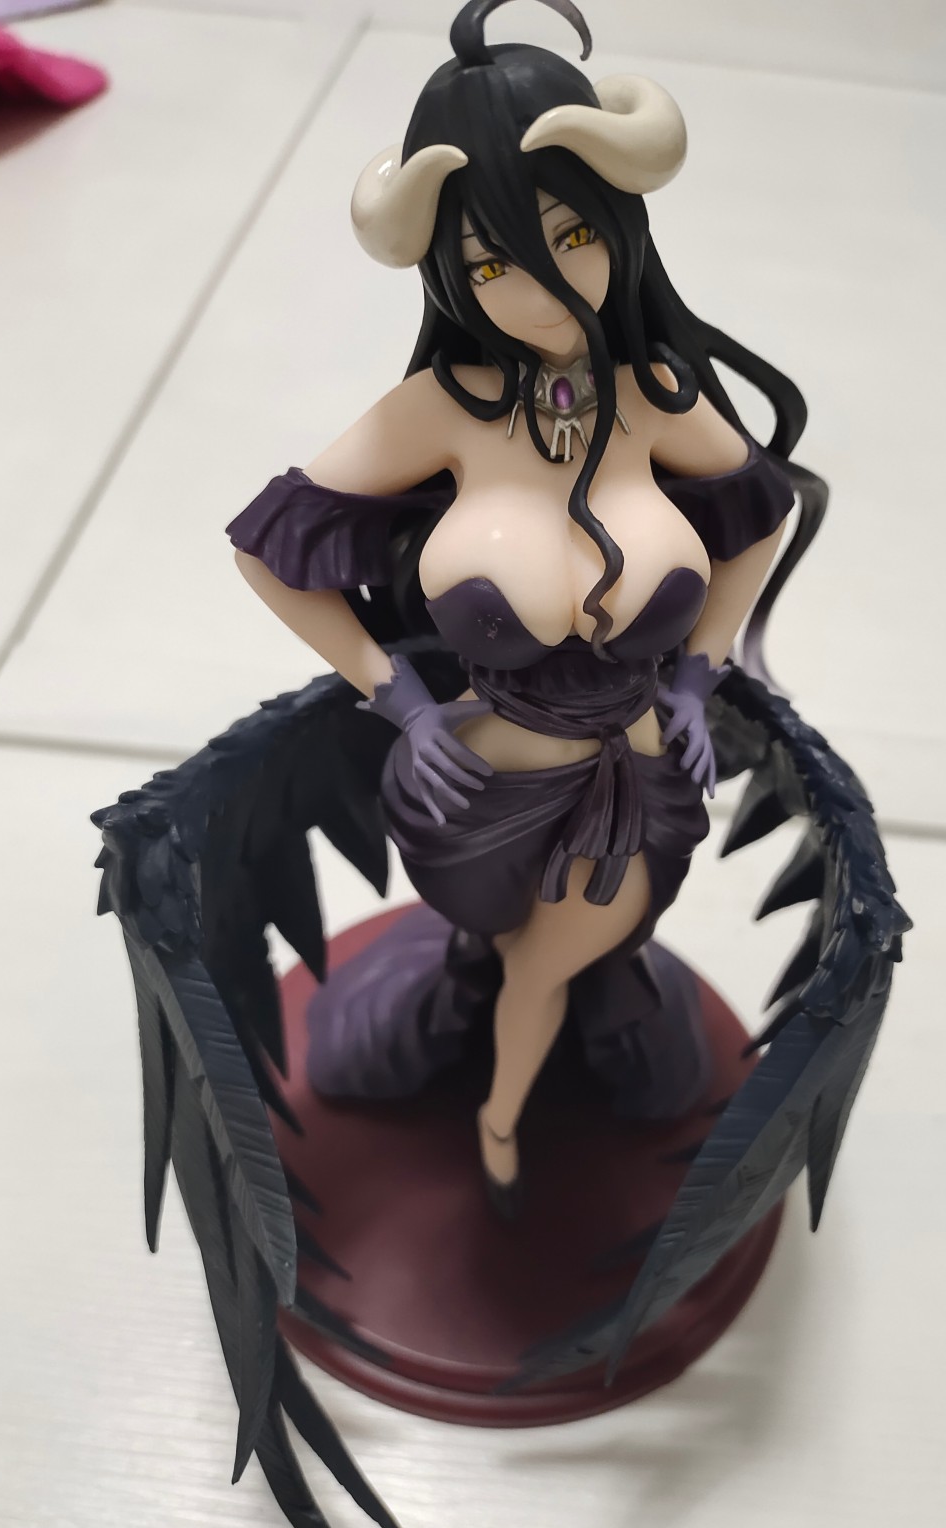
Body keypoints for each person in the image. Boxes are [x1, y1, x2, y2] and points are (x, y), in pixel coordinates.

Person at [227, 0, 814, 1218]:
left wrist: (700, 672)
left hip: (641, 782)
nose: (539, 291)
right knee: (523, 960)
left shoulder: (653, 393)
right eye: (492, 264)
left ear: (619, 224)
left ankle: (506, 1106)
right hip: (475, 799)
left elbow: (758, 517)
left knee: (557, 963)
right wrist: (398, 699)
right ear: (450, 274)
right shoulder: (443, 407)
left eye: (569, 236)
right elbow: (270, 550)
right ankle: (494, 1098)